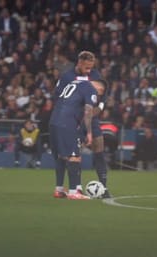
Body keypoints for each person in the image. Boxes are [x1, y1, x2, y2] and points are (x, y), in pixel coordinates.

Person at [53, 51, 111, 199]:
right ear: (79, 63)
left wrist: (101, 107)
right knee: (73, 152)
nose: (89, 70)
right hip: (74, 120)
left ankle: (104, 187)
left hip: (92, 117)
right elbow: (59, 96)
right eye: (86, 67)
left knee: (99, 148)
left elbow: (103, 93)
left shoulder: (96, 75)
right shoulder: (67, 77)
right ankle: (76, 187)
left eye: (91, 67)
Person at [49, 78, 106, 200]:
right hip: (68, 123)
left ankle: (59, 190)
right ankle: (74, 192)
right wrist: (89, 132)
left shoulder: (73, 83)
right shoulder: (90, 88)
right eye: (99, 93)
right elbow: (88, 111)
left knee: (61, 156)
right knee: (75, 156)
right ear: (100, 89)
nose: (97, 95)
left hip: (54, 120)